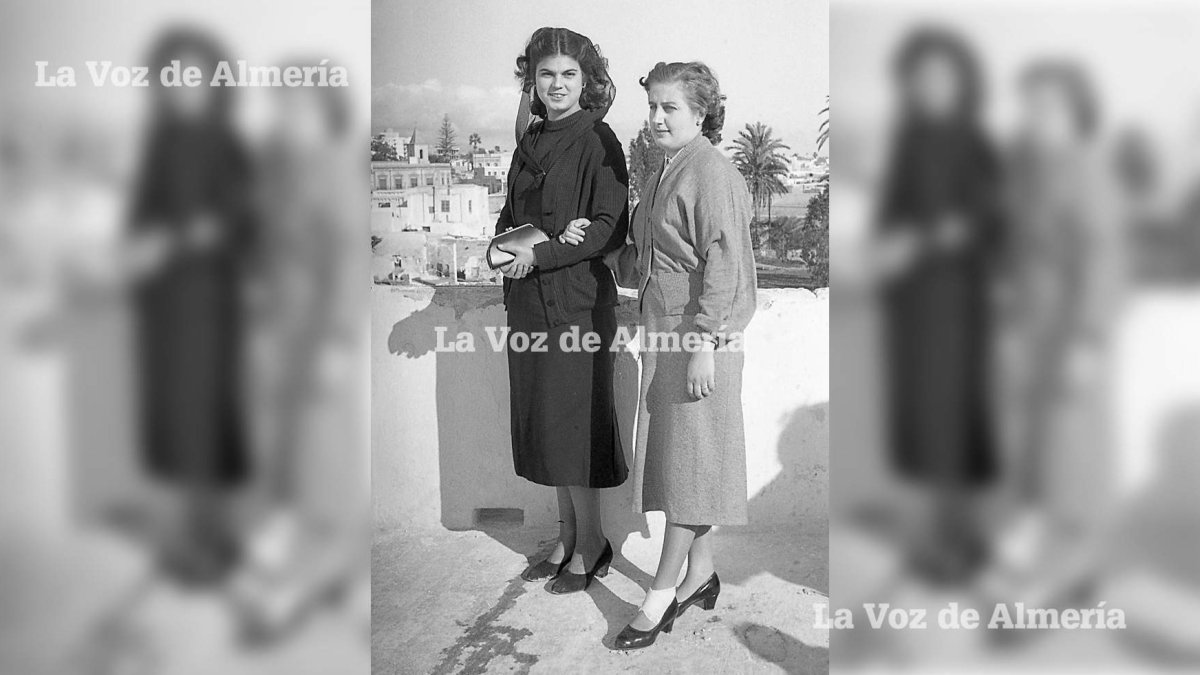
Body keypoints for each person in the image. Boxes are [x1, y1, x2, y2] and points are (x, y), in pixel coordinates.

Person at [564, 61, 756, 649]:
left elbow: (723, 263)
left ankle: (660, 594)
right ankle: (700, 574)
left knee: (690, 469)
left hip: (699, 338)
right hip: (667, 334)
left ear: (701, 114)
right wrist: (587, 243)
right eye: (651, 106)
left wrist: (702, 347)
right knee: (684, 460)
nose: (655, 118)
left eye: (669, 108)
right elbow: (648, 257)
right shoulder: (671, 166)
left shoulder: (711, 171)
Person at [494, 27, 630, 594]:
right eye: (546, 74)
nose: (557, 84)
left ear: (587, 81)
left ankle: (592, 542)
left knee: (574, 426)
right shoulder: (528, 140)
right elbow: (507, 220)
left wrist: (544, 251)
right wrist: (511, 249)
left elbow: (607, 226)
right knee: (548, 425)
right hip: (527, 303)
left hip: (576, 306)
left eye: (569, 75)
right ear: (533, 79)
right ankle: (567, 534)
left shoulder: (600, 140)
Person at [126, 27, 259, 585]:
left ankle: (212, 542)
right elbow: (139, 220)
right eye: (173, 75)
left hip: (212, 306)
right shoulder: (159, 142)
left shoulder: (226, 145)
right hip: (165, 309)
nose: (184, 86)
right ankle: (188, 539)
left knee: (207, 424)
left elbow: (243, 223)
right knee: (176, 428)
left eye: (194, 74)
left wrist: (192, 236)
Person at [874, 27, 1005, 584]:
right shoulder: (909, 142)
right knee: (926, 428)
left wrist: (926, 240)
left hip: (960, 306)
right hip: (914, 311)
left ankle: (966, 543)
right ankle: (938, 540)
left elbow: (990, 222)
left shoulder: (976, 144)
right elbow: (891, 219)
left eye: (940, 76)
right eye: (920, 76)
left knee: (957, 426)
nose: (930, 86)